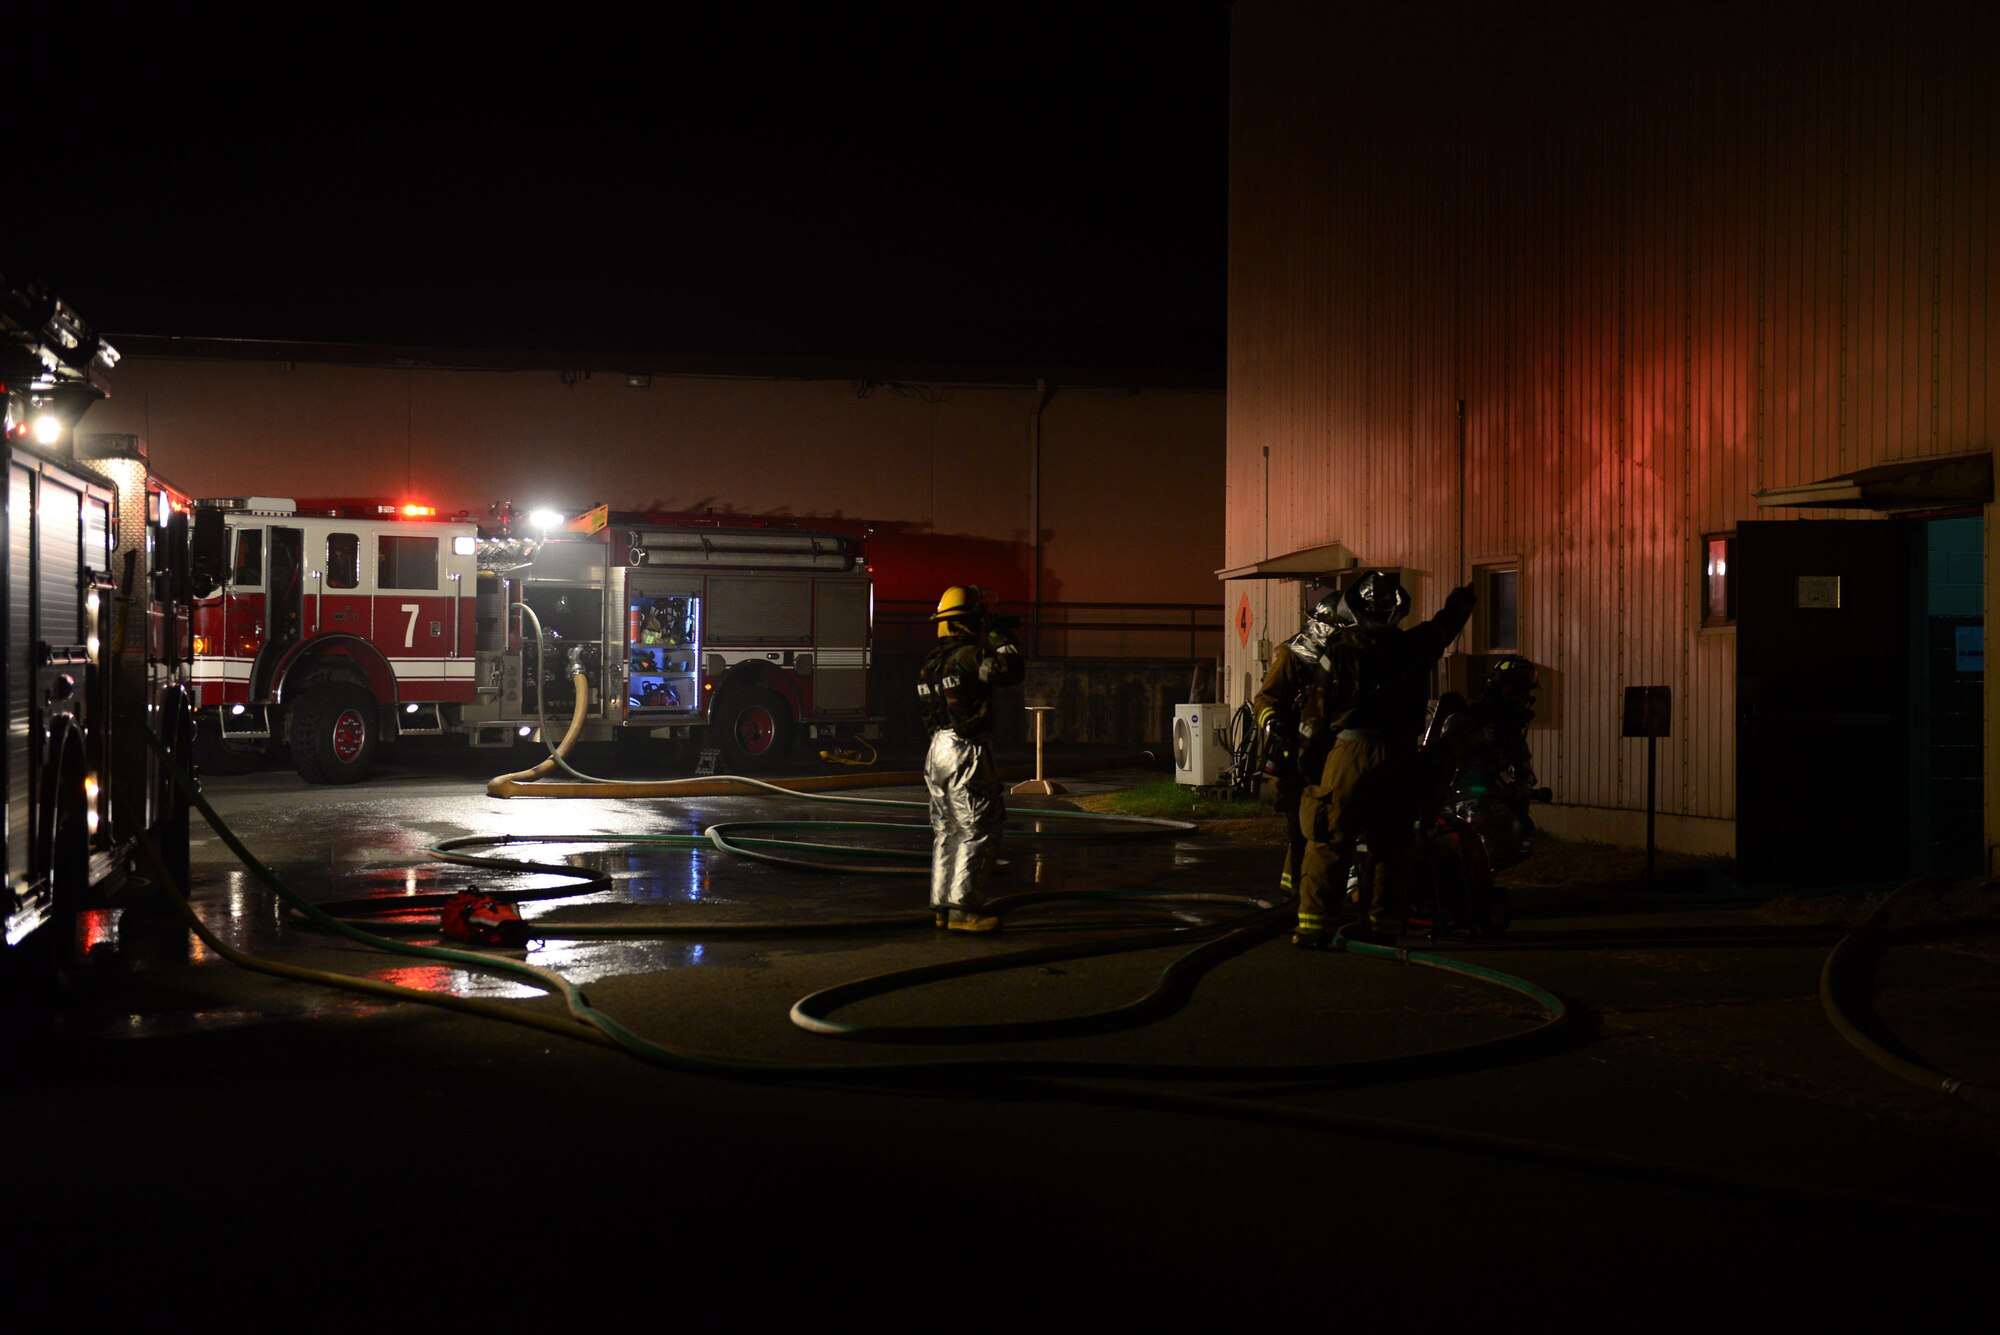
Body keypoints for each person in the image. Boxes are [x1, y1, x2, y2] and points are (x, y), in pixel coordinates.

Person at [1293, 569, 1476, 948]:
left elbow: (1316, 714)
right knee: (1391, 844)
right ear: (1398, 611)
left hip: (1348, 753)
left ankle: (1314, 928)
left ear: (1355, 608)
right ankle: (1383, 928)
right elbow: (1446, 625)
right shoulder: (1416, 645)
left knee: (1329, 838)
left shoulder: (1338, 651)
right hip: (1400, 756)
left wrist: (1308, 762)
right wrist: (1464, 599)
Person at [917, 585, 1025, 932]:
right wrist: (1000, 636)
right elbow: (1010, 670)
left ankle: (943, 907)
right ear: (967, 622)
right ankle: (965, 910)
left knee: (947, 829)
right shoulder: (969, 657)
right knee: (979, 827)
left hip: (936, 750)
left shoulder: (930, 664)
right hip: (966, 749)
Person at [1250, 592, 1343, 899]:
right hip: (1295, 753)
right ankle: (1297, 895)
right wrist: (1273, 723)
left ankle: (1308, 891)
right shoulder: (1291, 656)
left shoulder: (1345, 657)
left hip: (1331, 751)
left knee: (1326, 826)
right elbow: (1265, 698)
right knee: (1302, 828)